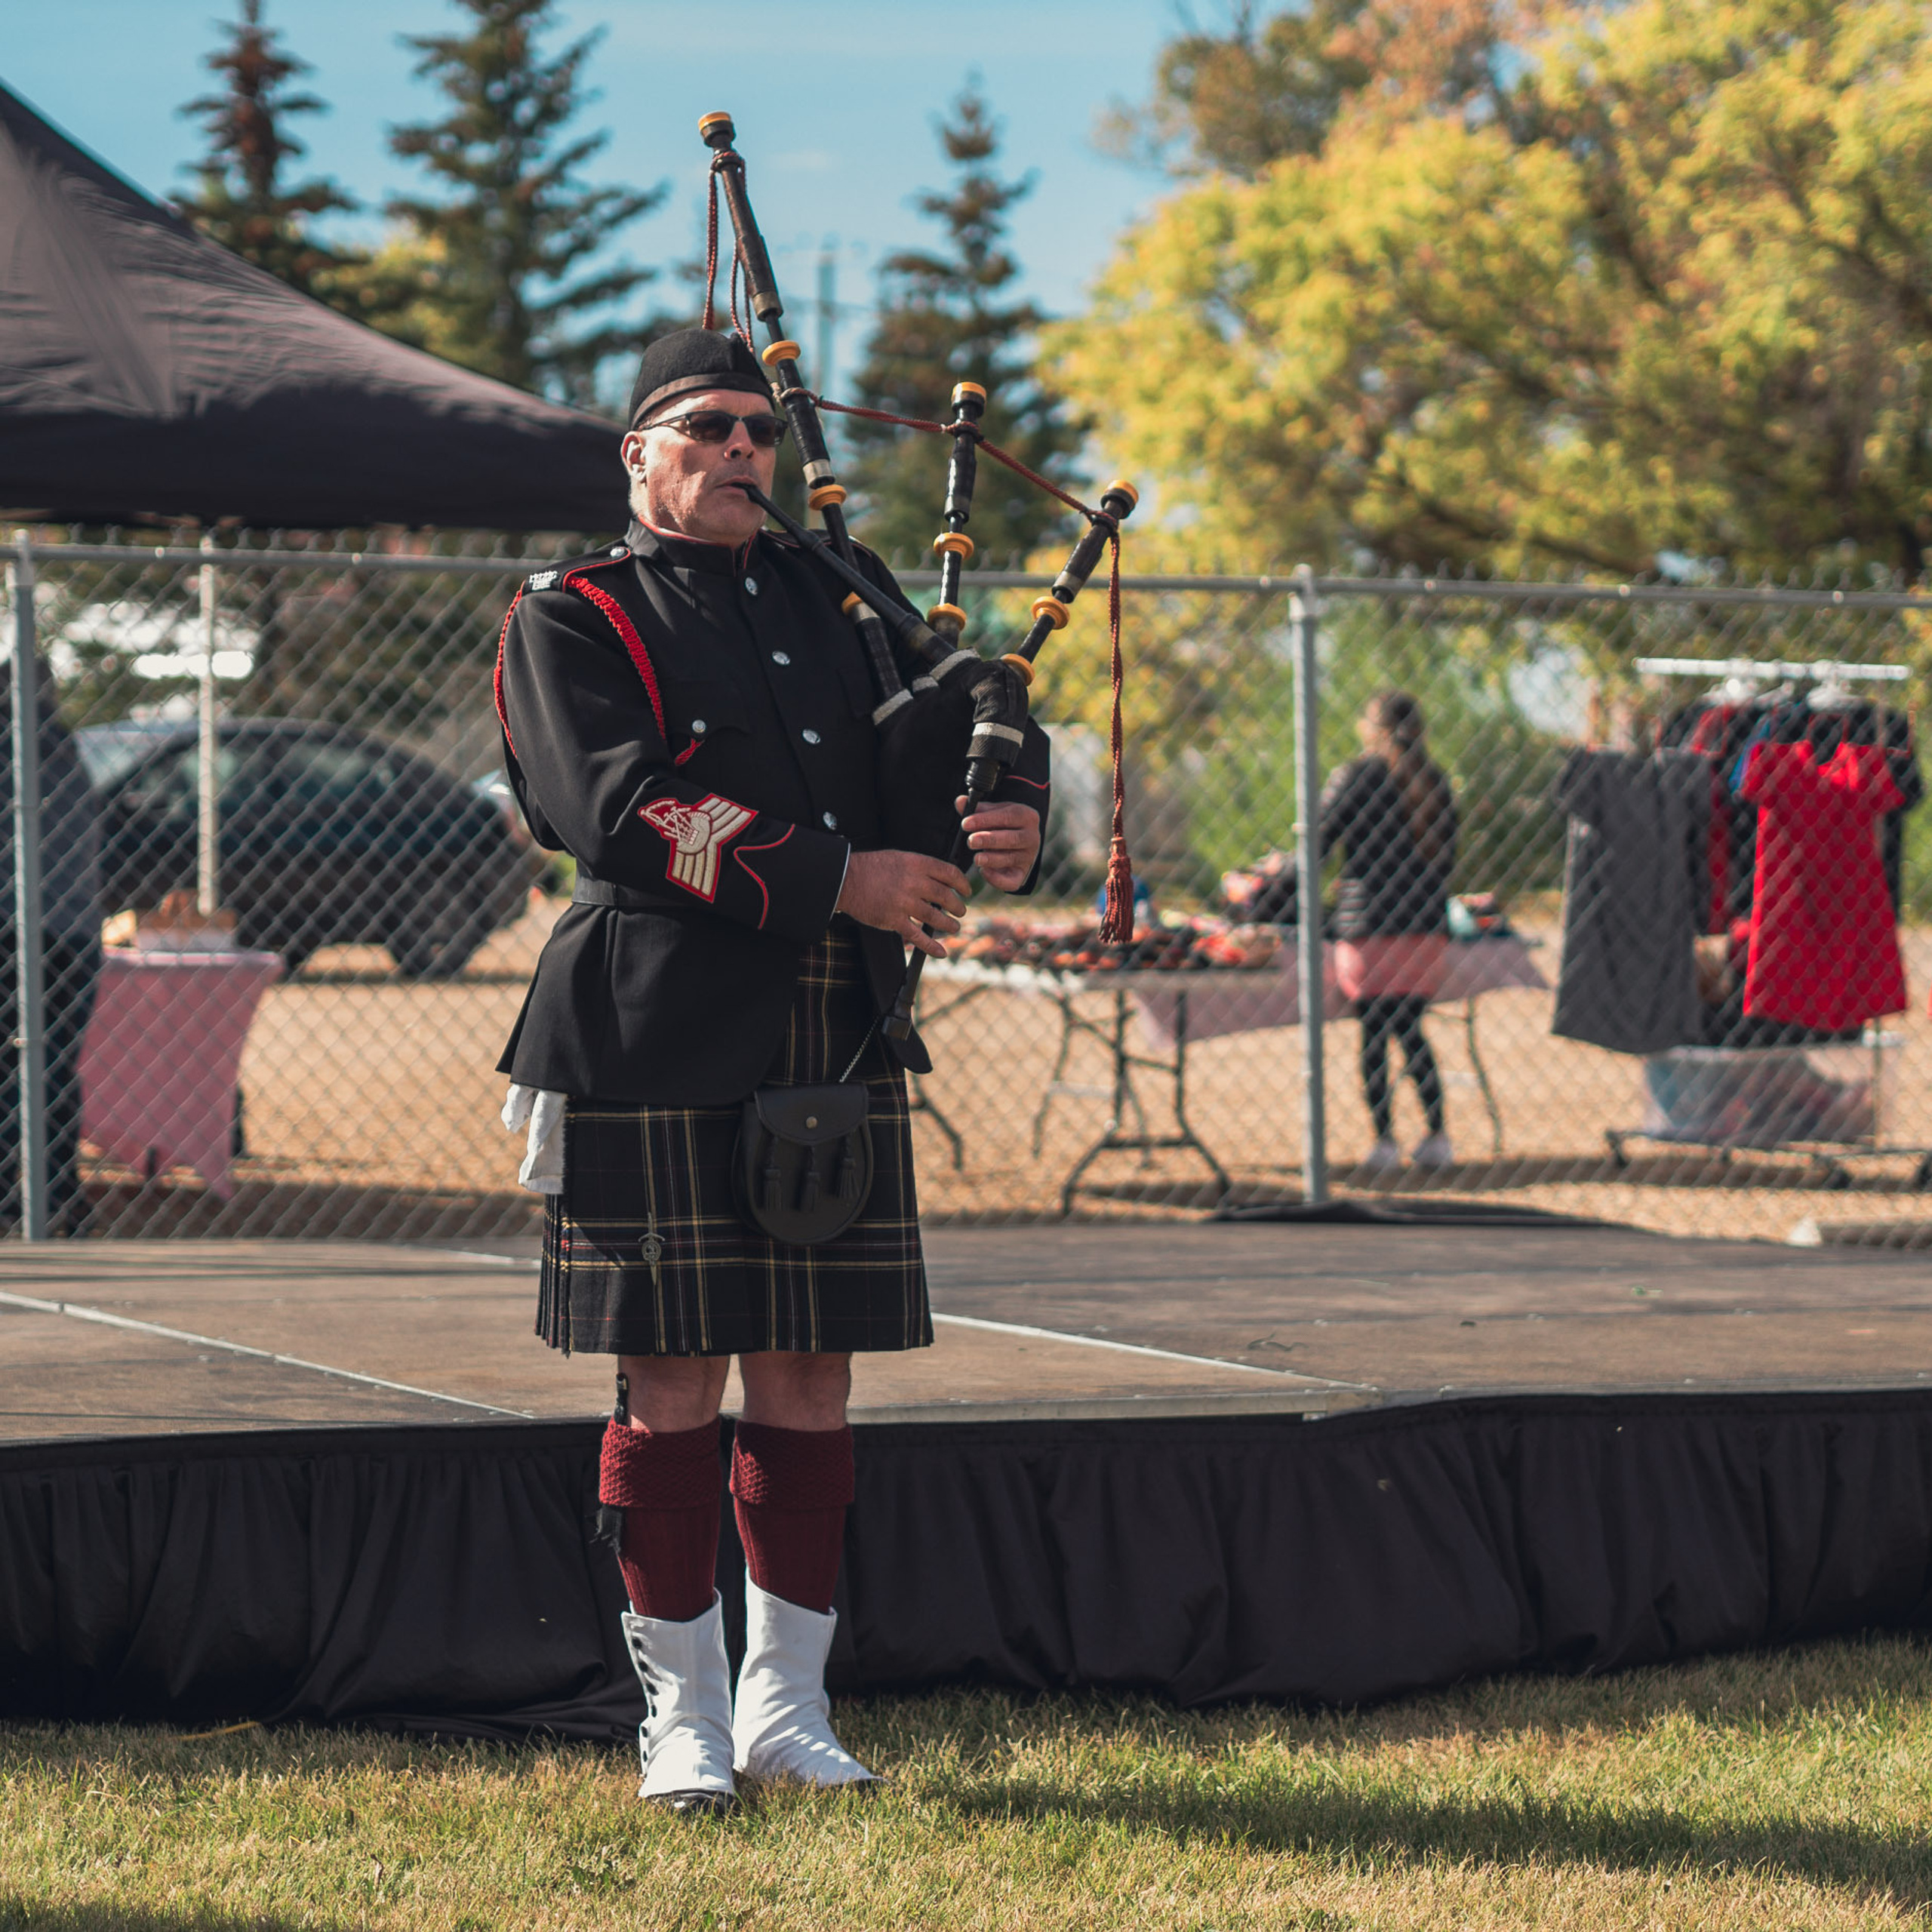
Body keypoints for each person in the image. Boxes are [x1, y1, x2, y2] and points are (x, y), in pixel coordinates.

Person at [494, 328, 1047, 1815]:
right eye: (709, 427)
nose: (745, 448)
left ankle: (788, 1710)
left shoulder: (842, 592)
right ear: (639, 455)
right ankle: (678, 1718)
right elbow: (616, 806)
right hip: (649, 1027)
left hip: (828, 1027)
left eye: (759, 427)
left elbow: (979, 705)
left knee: (809, 1370)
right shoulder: (573, 614)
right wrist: (838, 878)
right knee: (671, 1375)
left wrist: (1011, 806)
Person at [1320, 690, 1458, 1172]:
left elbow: (1320, 841)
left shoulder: (1354, 777)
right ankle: (1437, 1136)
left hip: (1369, 925)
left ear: (1370, 728)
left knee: (1375, 1033)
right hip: (1424, 928)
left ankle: (1383, 1142)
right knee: (1411, 1028)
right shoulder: (1435, 781)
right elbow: (1448, 859)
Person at [0, 656, 103, 1235]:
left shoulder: (18, 750)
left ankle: (19, 1198)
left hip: (18, 926)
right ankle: (57, 1194)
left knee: (14, 1066)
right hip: (74, 929)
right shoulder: (65, 750)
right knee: (54, 1067)